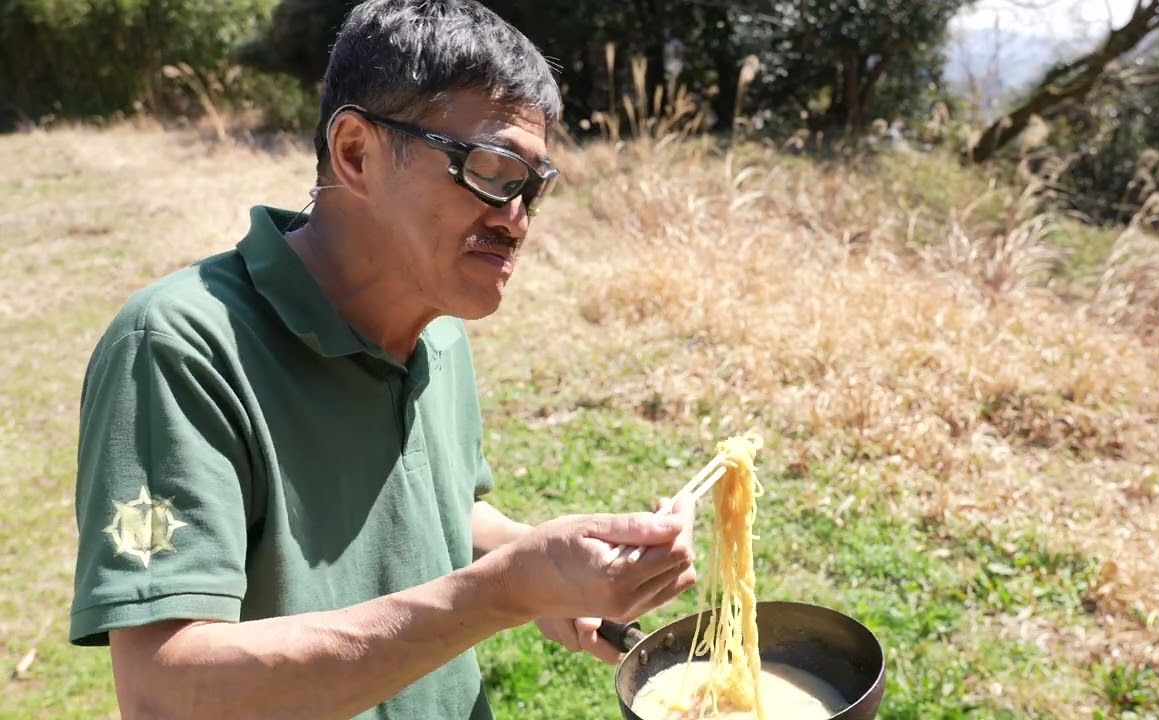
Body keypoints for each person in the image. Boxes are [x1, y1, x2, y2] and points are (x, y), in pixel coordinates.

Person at [67, 1, 697, 718]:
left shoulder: (438, 329)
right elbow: (164, 688)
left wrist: (547, 568)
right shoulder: (180, 346)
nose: (515, 218)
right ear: (356, 152)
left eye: (532, 186)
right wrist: (504, 591)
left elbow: (442, 511)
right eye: (492, 171)